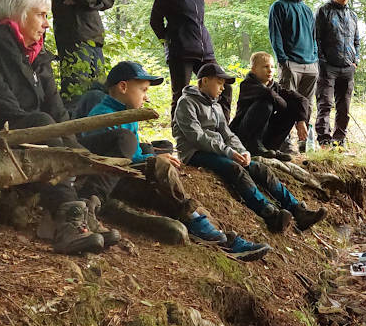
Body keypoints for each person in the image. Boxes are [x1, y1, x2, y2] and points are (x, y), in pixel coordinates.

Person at [0, 0, 122, 256]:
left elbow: (58, 112)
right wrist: (58, 143)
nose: (46, 24)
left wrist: (76, 152)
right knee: (41, 122)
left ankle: (79, 212)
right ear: (17, 13)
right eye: (41, 15)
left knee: (73, 132)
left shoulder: (36, 54)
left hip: (27, 129)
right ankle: (65, 221)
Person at [78, 61, 270, 261]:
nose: (146, 96)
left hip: (127, 174)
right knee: (161, 166)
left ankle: (225, 238)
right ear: (123, 87)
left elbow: (132, 153)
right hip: (114, 182)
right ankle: (206, 229)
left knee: (176, 188)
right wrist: (153, 158)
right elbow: (121, 156)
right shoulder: (103, 116)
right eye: (143, 90)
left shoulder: (127, 114)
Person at [173, 63, 327, 233]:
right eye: (219, 82)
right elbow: (197, 137)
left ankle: (298, 210)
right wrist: (228, 152)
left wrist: (242, 150)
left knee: (260, 168)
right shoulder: (186, 102)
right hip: (194, 153)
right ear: (203, 81)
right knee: (235, 168)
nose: (223, 88)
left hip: (218, 150)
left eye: (224, 84)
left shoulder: (215, 105)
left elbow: (227, 134)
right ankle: (270, 214)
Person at [150, 0, 232, 120]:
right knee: (181, 95)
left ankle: (222, 130)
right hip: (181, 51)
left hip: (205, 50)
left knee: (225, 87)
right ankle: (180, 137)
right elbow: (155, 20)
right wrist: (168, 41)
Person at [268, 0, 317, 153]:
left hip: (310, 64)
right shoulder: (279, 7)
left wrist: (315, 58)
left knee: (307, 103)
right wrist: (283, 60)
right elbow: (276, 36)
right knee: (286, 103)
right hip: (290, 63)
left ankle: (305, 142)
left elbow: (313, 37)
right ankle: (284, 142)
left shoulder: (307, 10)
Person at [230, 52, 309, 162]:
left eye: (272, 67)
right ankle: (254, 147)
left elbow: (301, 99)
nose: (270, 70)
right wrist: (285, 105)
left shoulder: (274, 86)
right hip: (244, 134)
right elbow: (269, 94)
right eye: (265, 67)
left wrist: (301, 120)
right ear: (253, 69)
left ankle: (272, 148)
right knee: (266, 104)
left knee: (292, 109)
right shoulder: (248, 84)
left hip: (264, 135)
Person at [315, 0, 360, 148]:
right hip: (328, 67)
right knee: (325, 104)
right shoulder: (323, 11)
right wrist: (322, 62)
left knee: (344, 107)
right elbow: (316, 39)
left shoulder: (352, 15)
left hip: (348, 67)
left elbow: (357, 40)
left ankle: (339, 139)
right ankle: (324, 139)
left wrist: (356, 60)